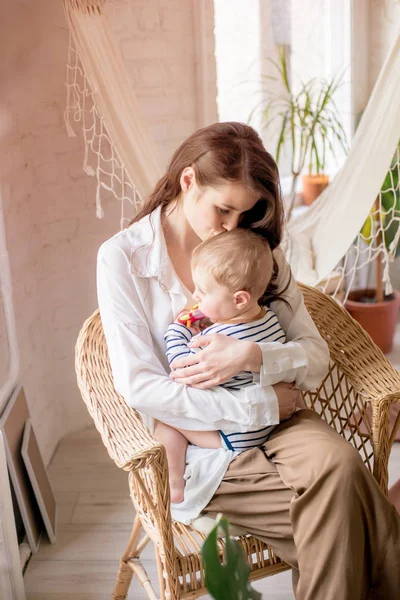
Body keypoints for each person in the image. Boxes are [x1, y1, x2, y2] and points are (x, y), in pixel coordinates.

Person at [97, 122, 400, 599]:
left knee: (340, 466)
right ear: (189, 180)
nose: (233, 226)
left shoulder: (258, 253)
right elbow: (140, 386)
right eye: (223, 208)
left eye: (247, 212)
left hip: (286, 419)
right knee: (346, 511)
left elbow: (316, 360)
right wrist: (257, 408)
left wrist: (255, 355)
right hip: (201, 442)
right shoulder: (123, 259)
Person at [156, 228, 288, 502]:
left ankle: (175, 485)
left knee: (164, 423)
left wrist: (178, 330)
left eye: (203, 291)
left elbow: (183, 369)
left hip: (234, 436)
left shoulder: (216, 341)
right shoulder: (270, 320)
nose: (196, 296)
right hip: (266, 427)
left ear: (239, 299)